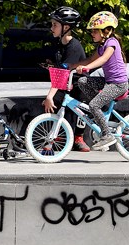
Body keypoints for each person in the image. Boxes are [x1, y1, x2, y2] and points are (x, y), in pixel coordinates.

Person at [69, 11, 128, 151]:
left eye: (94, 31)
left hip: (118, 85)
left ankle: (107, 135)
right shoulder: (101, 46)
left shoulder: (112, 43)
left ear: (105, 31)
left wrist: (86, 68)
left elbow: (103, 59)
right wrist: (71, 66)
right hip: (108, 82)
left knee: (94, 105)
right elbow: (89, 59)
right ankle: (99, 110)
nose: (92, 34)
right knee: (83, 81)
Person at [41, 6, 90, 152]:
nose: (52, 28)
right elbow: (59, 69)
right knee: (53, 103)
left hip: (79, 84)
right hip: (66, 82)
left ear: (66, 27)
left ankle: (78, 137)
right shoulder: (58, 43)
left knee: (82, 104)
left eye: (55, 25)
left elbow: (63, 73)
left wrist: (50, 95)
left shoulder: (74, 46)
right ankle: (59, 135)